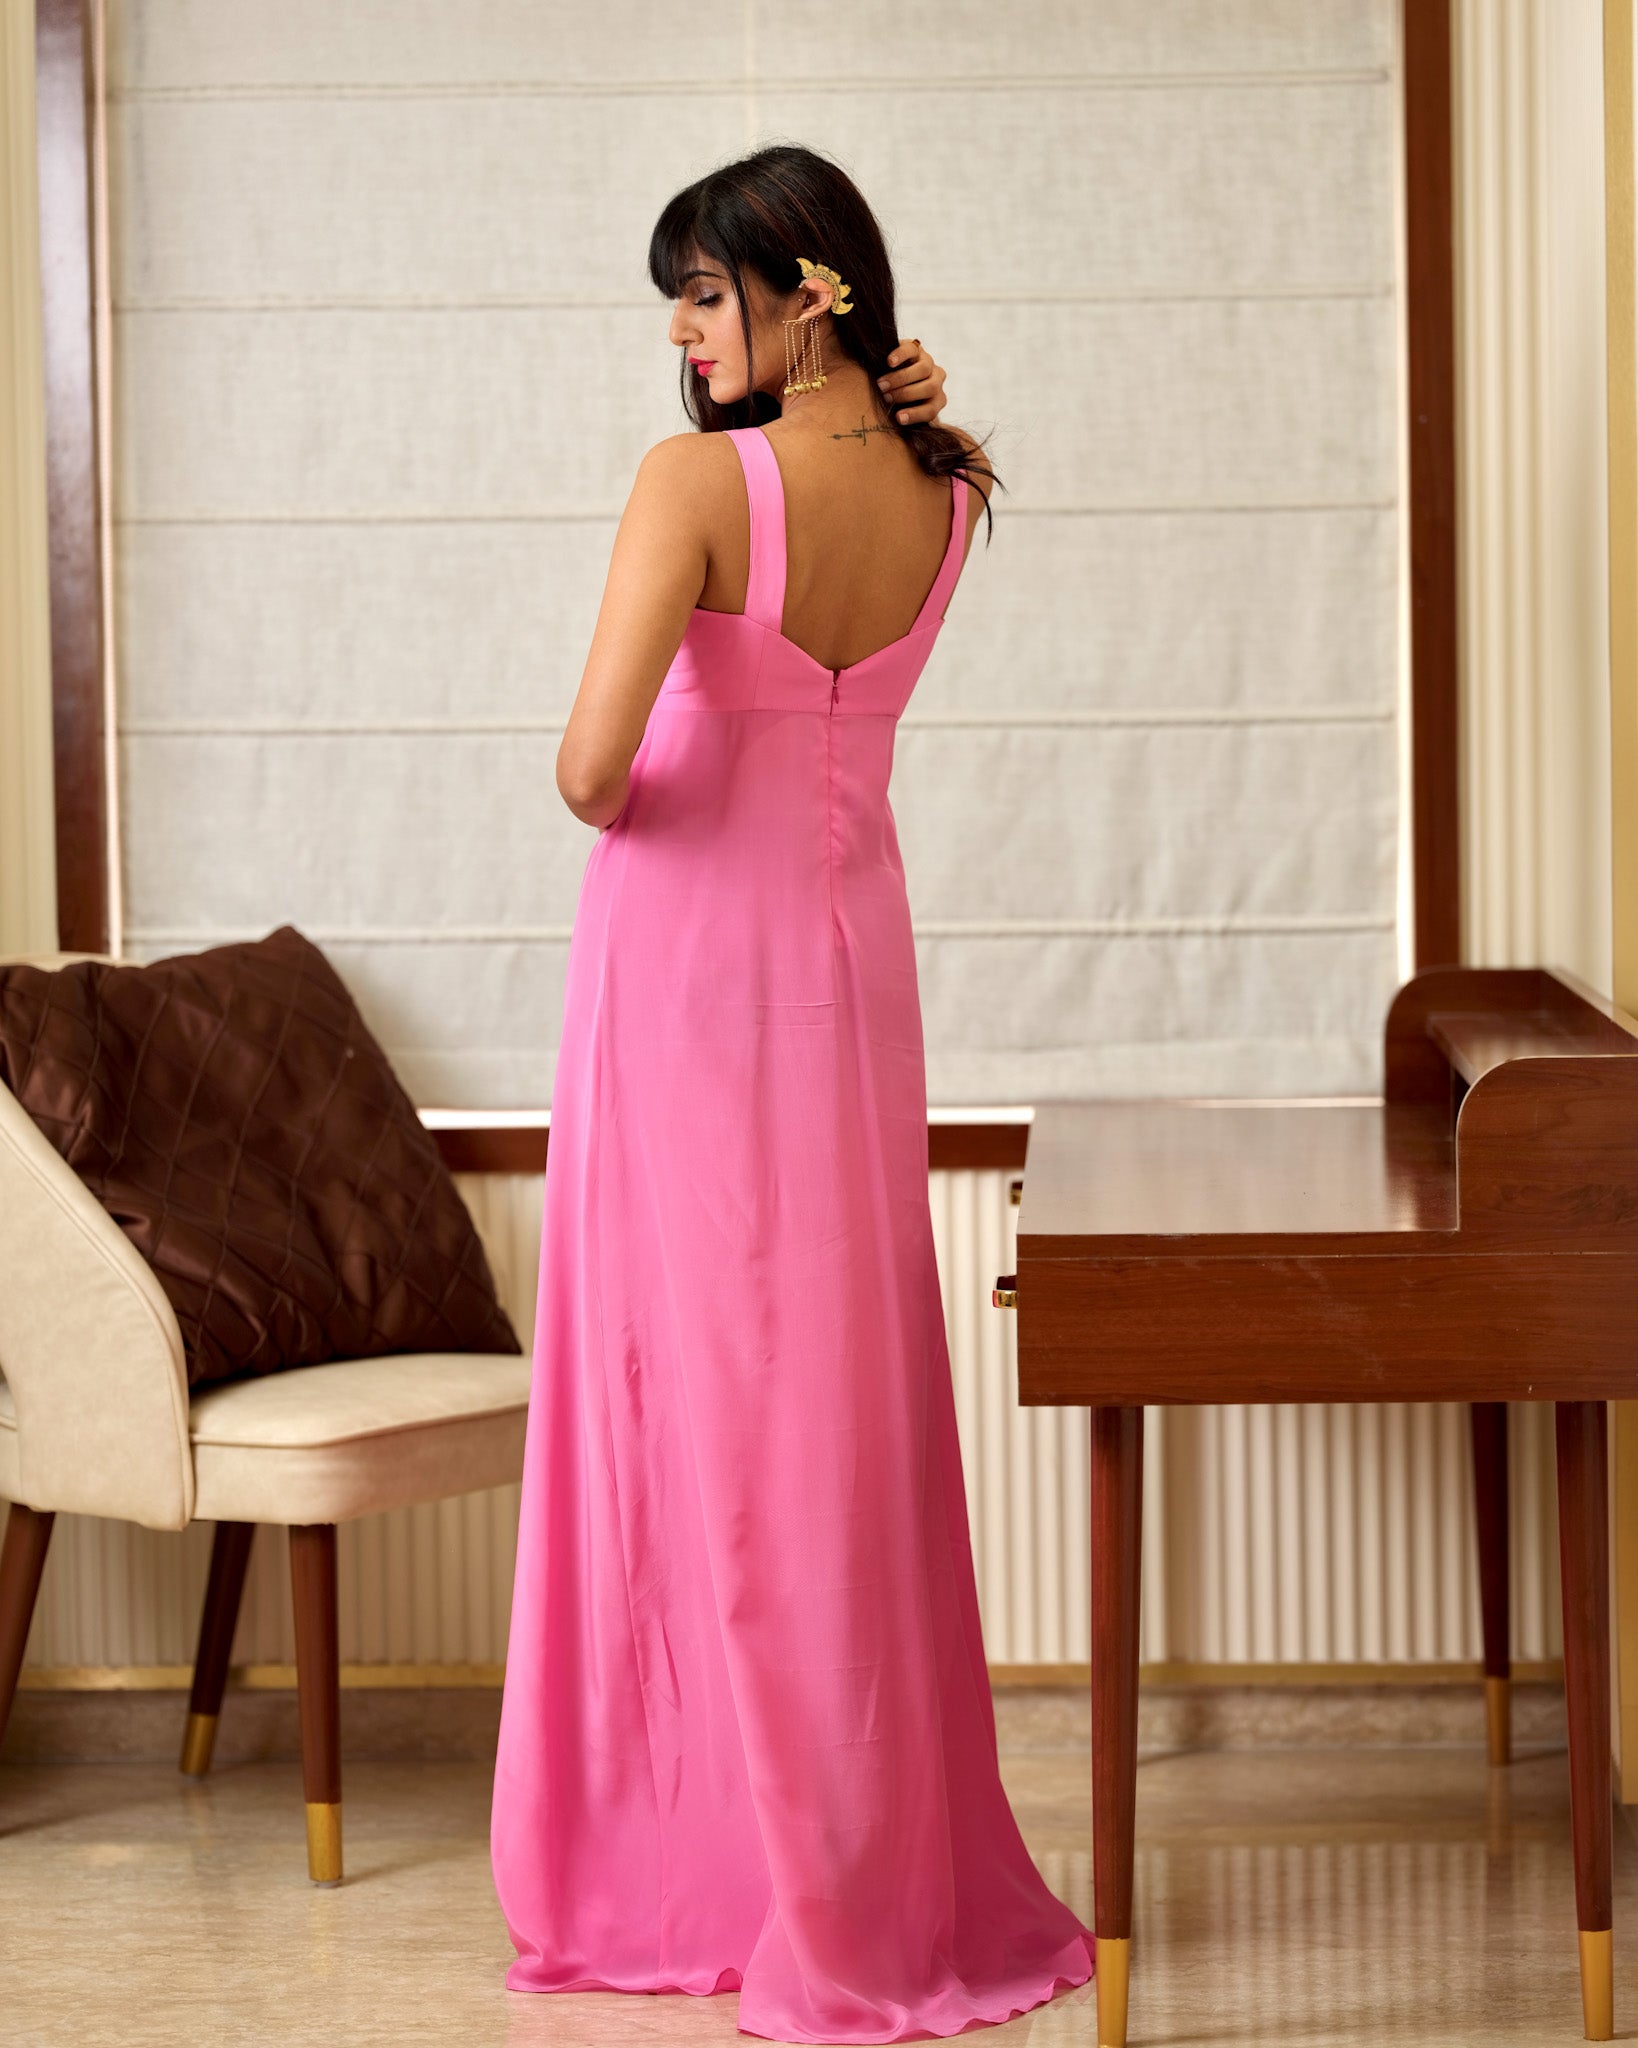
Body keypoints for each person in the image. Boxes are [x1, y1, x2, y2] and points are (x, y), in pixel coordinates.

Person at [489, 142, 1096, 2044]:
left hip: (681, 978)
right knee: (829, 1406)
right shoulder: (945, 484)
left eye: (700, 294)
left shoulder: (692, 481)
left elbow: (593, 775)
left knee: (681, 1401)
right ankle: (849, 1864)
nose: (682, 335)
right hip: (846, 983)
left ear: (804, 283)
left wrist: (652, 723)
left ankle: (698, 1865)